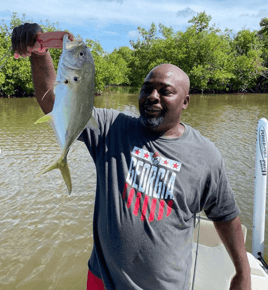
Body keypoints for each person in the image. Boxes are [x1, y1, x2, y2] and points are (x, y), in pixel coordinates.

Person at [12, 23, 251, 290]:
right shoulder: (111, 129)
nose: (152, 96)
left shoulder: (206, 155)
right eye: (146, 88)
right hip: (102, 280)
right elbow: (55, 104)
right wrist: (39, 53)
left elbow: (225, 215)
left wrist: (243, 273)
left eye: (165, 91)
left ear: (185, 102)